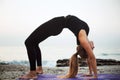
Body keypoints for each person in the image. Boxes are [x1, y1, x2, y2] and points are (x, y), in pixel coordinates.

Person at [20, 15, 97, 79]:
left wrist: (95, 77)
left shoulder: (82, 38)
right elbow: (89, 56)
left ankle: (32, 72)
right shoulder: (84, 37)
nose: (76, 49)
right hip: (58, 25)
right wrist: (90, 73)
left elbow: (91, 57)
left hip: (56, 24)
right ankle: (39, 69)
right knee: (34, 43)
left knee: (28, 42)